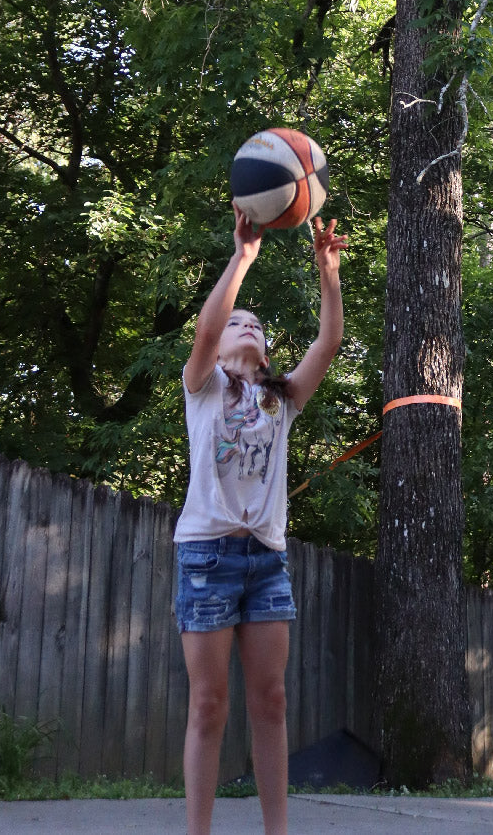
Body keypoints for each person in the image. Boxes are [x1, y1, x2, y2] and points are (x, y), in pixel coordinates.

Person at [173, 204, 346, 835]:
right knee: (210, 705)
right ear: (220, 343)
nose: (246, 326)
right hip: (207, 558)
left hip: (266, 561)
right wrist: (243, 257)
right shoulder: (203, 385)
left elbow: (328, 342)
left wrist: (328, 272)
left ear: (267, 349)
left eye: (256, 325)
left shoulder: (280, 399)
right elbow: (204, 331)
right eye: (236, 322)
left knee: (270, 702)